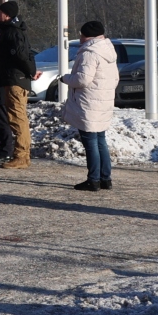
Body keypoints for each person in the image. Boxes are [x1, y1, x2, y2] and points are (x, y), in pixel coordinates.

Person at [62, 20, 120, 192]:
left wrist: (65, 78)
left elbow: (82, 79)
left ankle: (93, 180)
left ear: (86, 36)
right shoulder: (108, 51)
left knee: (91, 143)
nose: (80, 37)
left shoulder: (90, 53)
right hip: (103, 101)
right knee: (100, 140)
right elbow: (115, 78)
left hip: (88, 102)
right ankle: (105, 178)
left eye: (81, 34)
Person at [0, 1, 37, 170]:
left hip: (15, 80)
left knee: (17, 119)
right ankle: (23, 155)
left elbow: (22, 55)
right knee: (17, 118)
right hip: (13, 79)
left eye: (0, 12)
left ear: (7, 15)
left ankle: (21, 156)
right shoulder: (11, 31)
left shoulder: (13, 32)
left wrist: (30, 72)